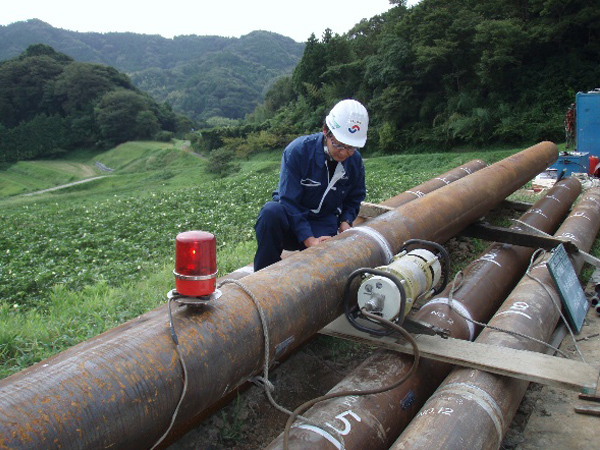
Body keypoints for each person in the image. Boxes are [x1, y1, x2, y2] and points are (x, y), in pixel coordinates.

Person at [253, 99, 368, 271]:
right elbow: (288, 201)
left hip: (323, 221)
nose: (344, 153)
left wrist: (346, 220)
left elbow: (355, 196)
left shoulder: (354, 161)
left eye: (351, 148)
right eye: (339, 145)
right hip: (291, 221)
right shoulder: (298, 151)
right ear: (325, 131)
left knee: (321, 268)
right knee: (271, 213)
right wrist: (308, 239)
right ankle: (262, 277)